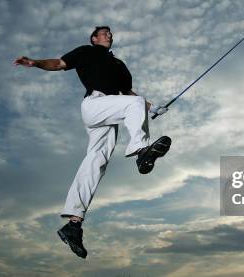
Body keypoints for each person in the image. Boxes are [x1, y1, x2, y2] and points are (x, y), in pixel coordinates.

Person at [14, 26, 171, 258]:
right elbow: (58, 63)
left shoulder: (120, 66)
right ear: (94, 38)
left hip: (110, 113)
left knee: (95, 163)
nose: (109, 35)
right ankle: (140, 151)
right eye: (104, 33)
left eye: (110, 33)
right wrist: (35, 63)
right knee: (135, 105)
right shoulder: (86, 51)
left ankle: (73, 224)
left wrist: (153, 107)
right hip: (94, 105)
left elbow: (127, 93)